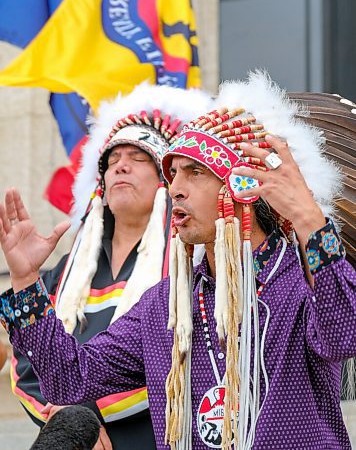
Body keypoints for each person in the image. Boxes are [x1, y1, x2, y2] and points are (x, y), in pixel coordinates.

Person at [0, 72, 356, 449]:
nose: (175, 188)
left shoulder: (301, 283)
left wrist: (306, 216)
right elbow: (69, 379)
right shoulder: (165, 307)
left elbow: (346, 333)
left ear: (243, 186)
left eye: (194, 172)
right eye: (172, 174)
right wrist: (26, 279)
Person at [7, 82, 211, 450]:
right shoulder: (64, 274)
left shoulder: (192, 268)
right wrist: (68, 415)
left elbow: (184, 359)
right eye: (112, 161)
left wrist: (81, 409)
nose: (120, 167)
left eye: (137, 158)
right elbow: (26, 363)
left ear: (167, 181)